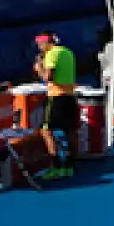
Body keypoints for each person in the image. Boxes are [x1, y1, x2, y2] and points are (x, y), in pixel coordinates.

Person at [33, 32, 78, 180]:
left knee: (46, 131)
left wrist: (39, 68)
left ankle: (56, 167)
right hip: (70, 96)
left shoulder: (51, 54)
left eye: (40, 43)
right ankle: (70, 167)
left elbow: (48, 77)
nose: (39, 47)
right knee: (69, 130)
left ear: (48, 42)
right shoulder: (68, 52)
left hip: (56, 97)